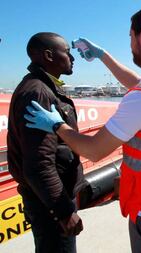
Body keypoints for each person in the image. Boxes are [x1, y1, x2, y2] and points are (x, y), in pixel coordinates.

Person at [24, 4, 141, 253]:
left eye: (131, 36)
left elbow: (93, 150)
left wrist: (56, 125)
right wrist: (103, 56)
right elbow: (140, 85)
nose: (130, 44)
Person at [7, 32, 84, 253]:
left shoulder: (42, 87)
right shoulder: (38, 93)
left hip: (46, 199)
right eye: (67, 53)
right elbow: (39, 163)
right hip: (48, 205)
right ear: (49, 55)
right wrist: (63, 211)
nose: (72, 58)